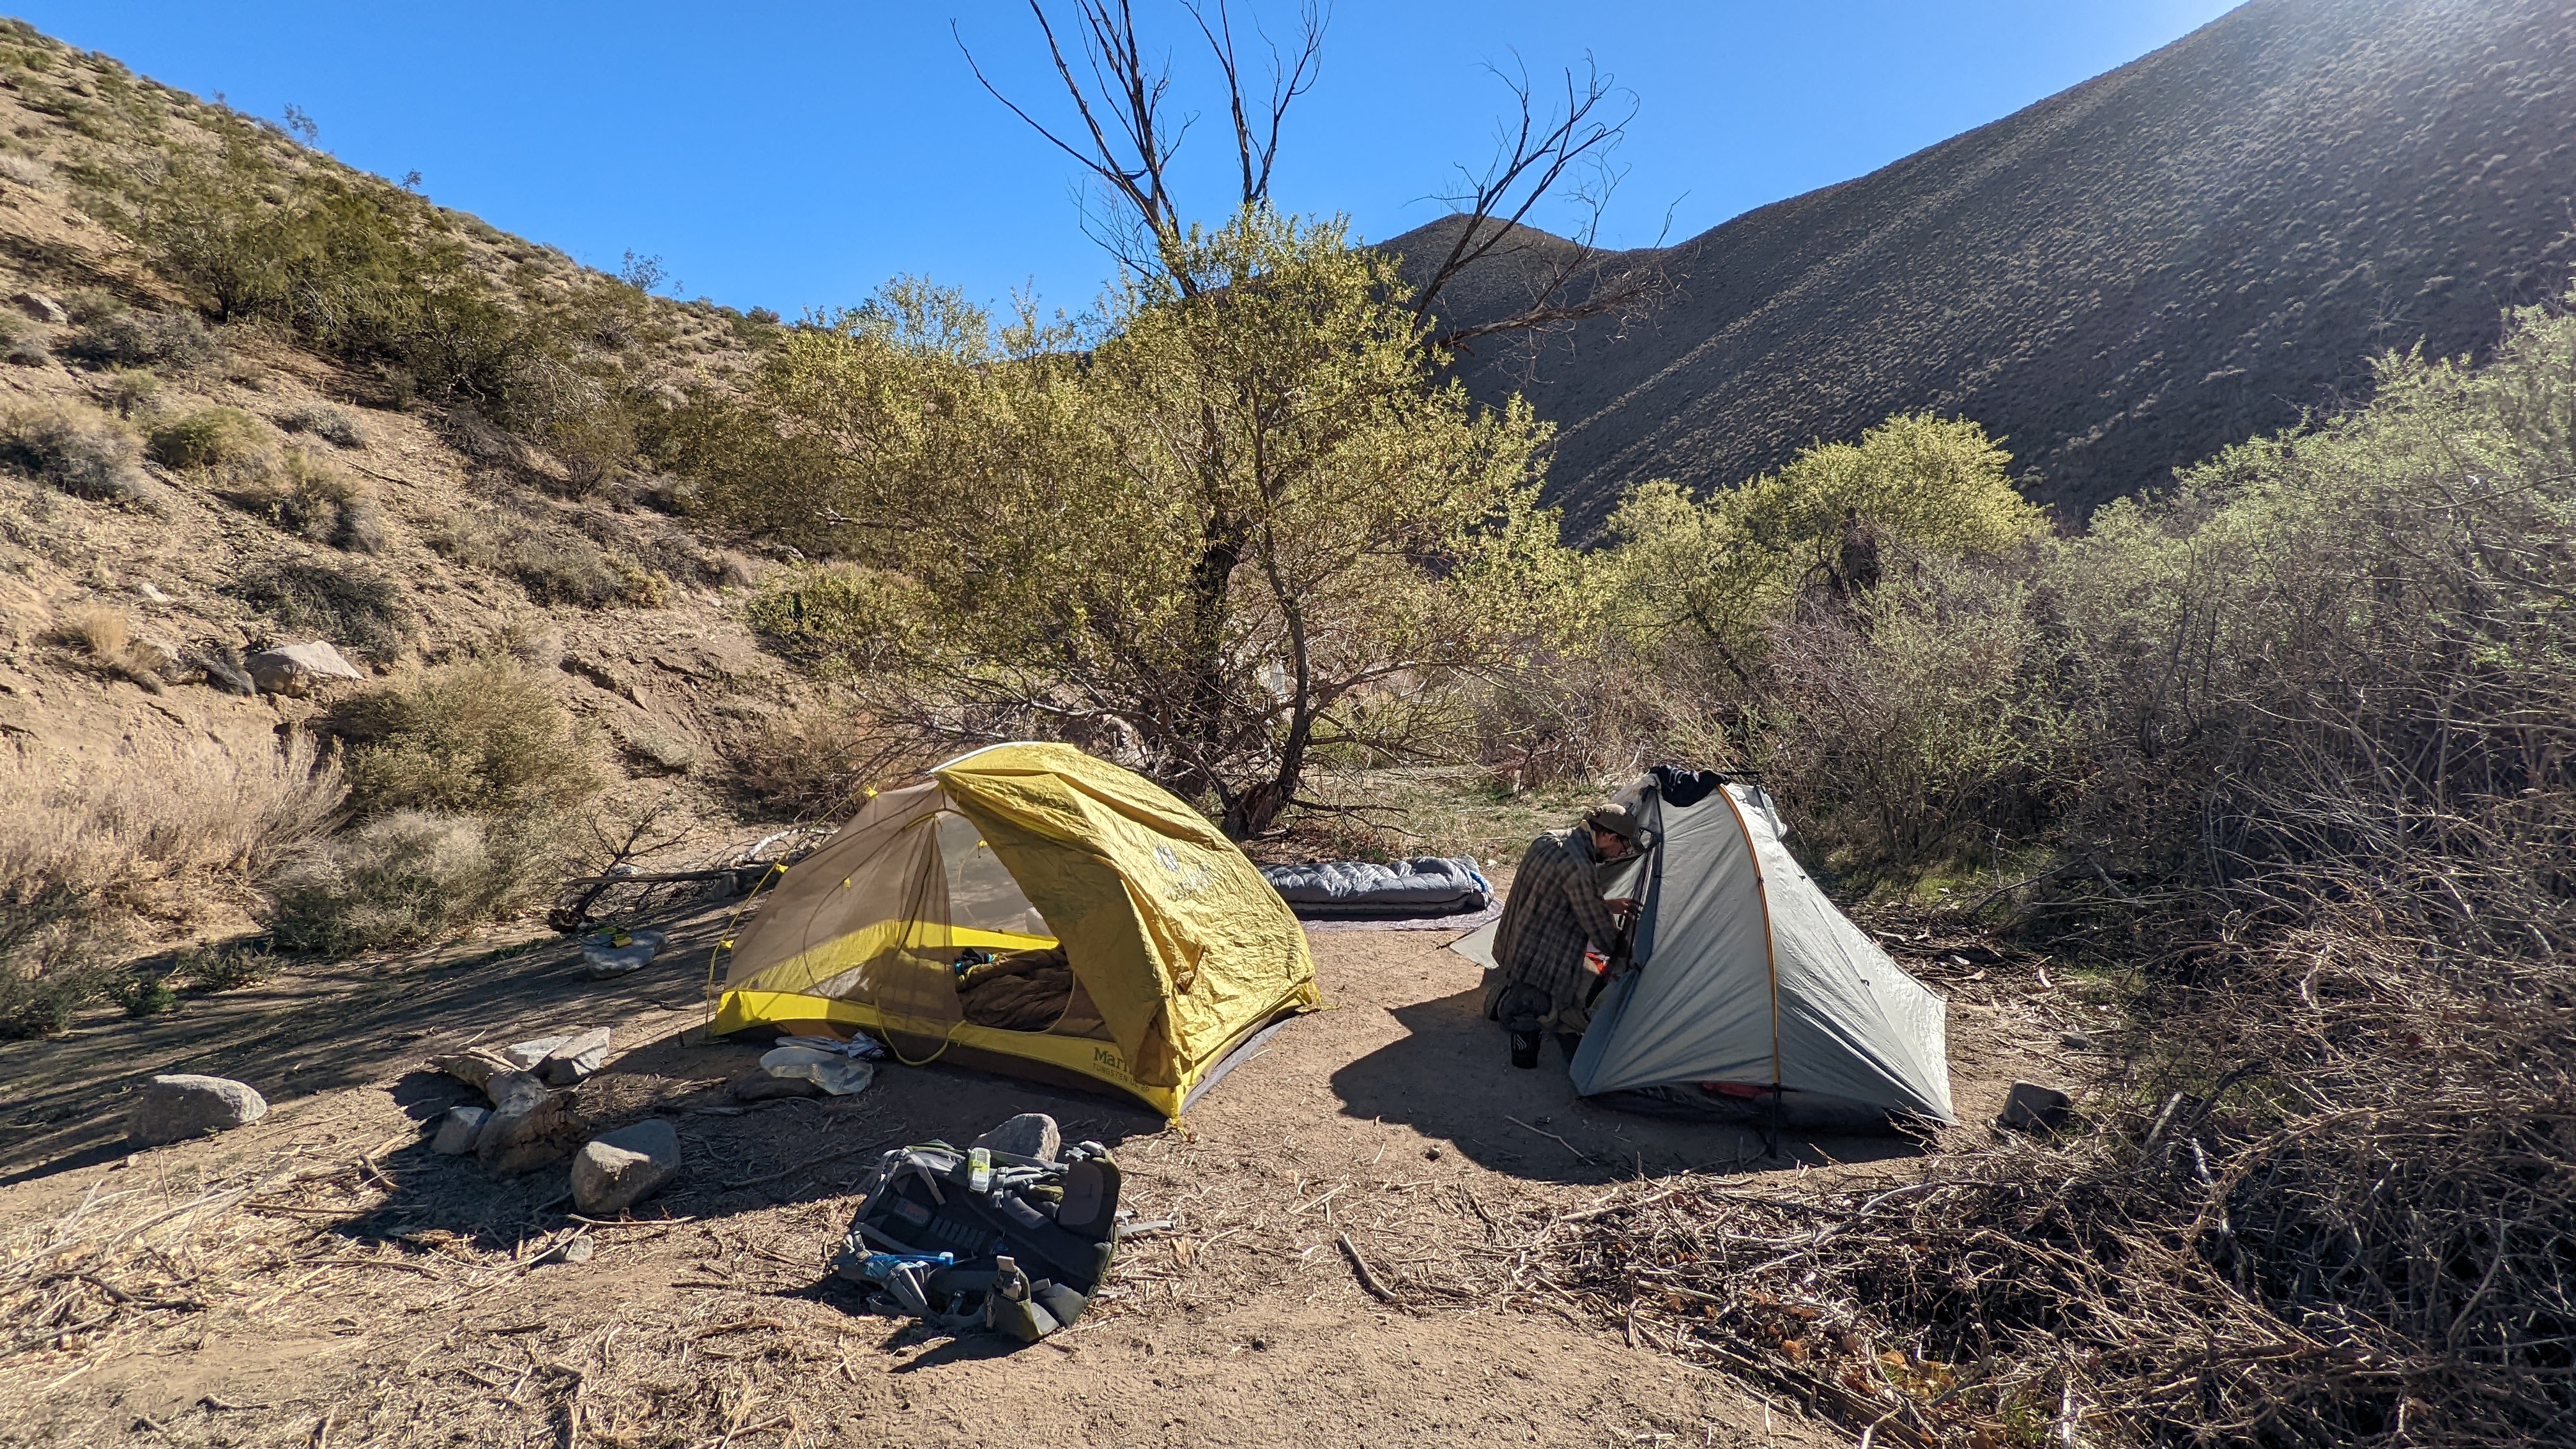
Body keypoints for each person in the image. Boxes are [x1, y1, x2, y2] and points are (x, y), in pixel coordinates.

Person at [1483, 802, 1645, 1060]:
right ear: (1608, 837)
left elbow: (1552, 896)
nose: (1619, 854)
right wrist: (1634, 961)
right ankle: (1524, 1004)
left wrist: (1605, 905)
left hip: (1511, 947)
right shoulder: (1579, 865)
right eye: (1621, 846)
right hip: (1538, 961)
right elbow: (1603, 934)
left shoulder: (1549, 839)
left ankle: (1512, 989)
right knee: (1590, 1010)